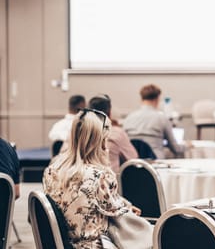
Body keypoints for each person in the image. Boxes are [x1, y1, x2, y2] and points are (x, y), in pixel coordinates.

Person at [43, 108, 148, 249]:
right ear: (101, 140)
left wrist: (125, 205)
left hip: (64, 243)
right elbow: (116, 211)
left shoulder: (51, 170)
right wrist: (128, 208)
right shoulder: (100, 175)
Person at [123, 84, 183, 159]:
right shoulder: (162, 118)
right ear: (157, 99)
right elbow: (176, 149)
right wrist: (188, 146)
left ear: (141, 99)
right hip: (155, 163)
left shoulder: (129, 118)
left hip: (132, 162)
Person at [89, 94, 138, 173]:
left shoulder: (75, 134)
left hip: (78, 182)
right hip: (107, 182)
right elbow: (134, 160)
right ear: (109, 112)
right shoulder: (116, 133)